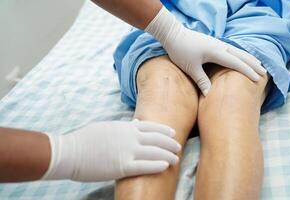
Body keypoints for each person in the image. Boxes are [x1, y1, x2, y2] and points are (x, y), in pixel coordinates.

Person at [0, 0, 272, 183]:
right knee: (162, 98)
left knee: (232, 99)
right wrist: (64, 153)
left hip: (258, 12)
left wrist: (169, 31)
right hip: (175, 8)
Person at [112, 0, 290, 200]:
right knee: (164, 91)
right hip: (169, 11)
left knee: (232, 97)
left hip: (258, 12)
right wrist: (169, 31)